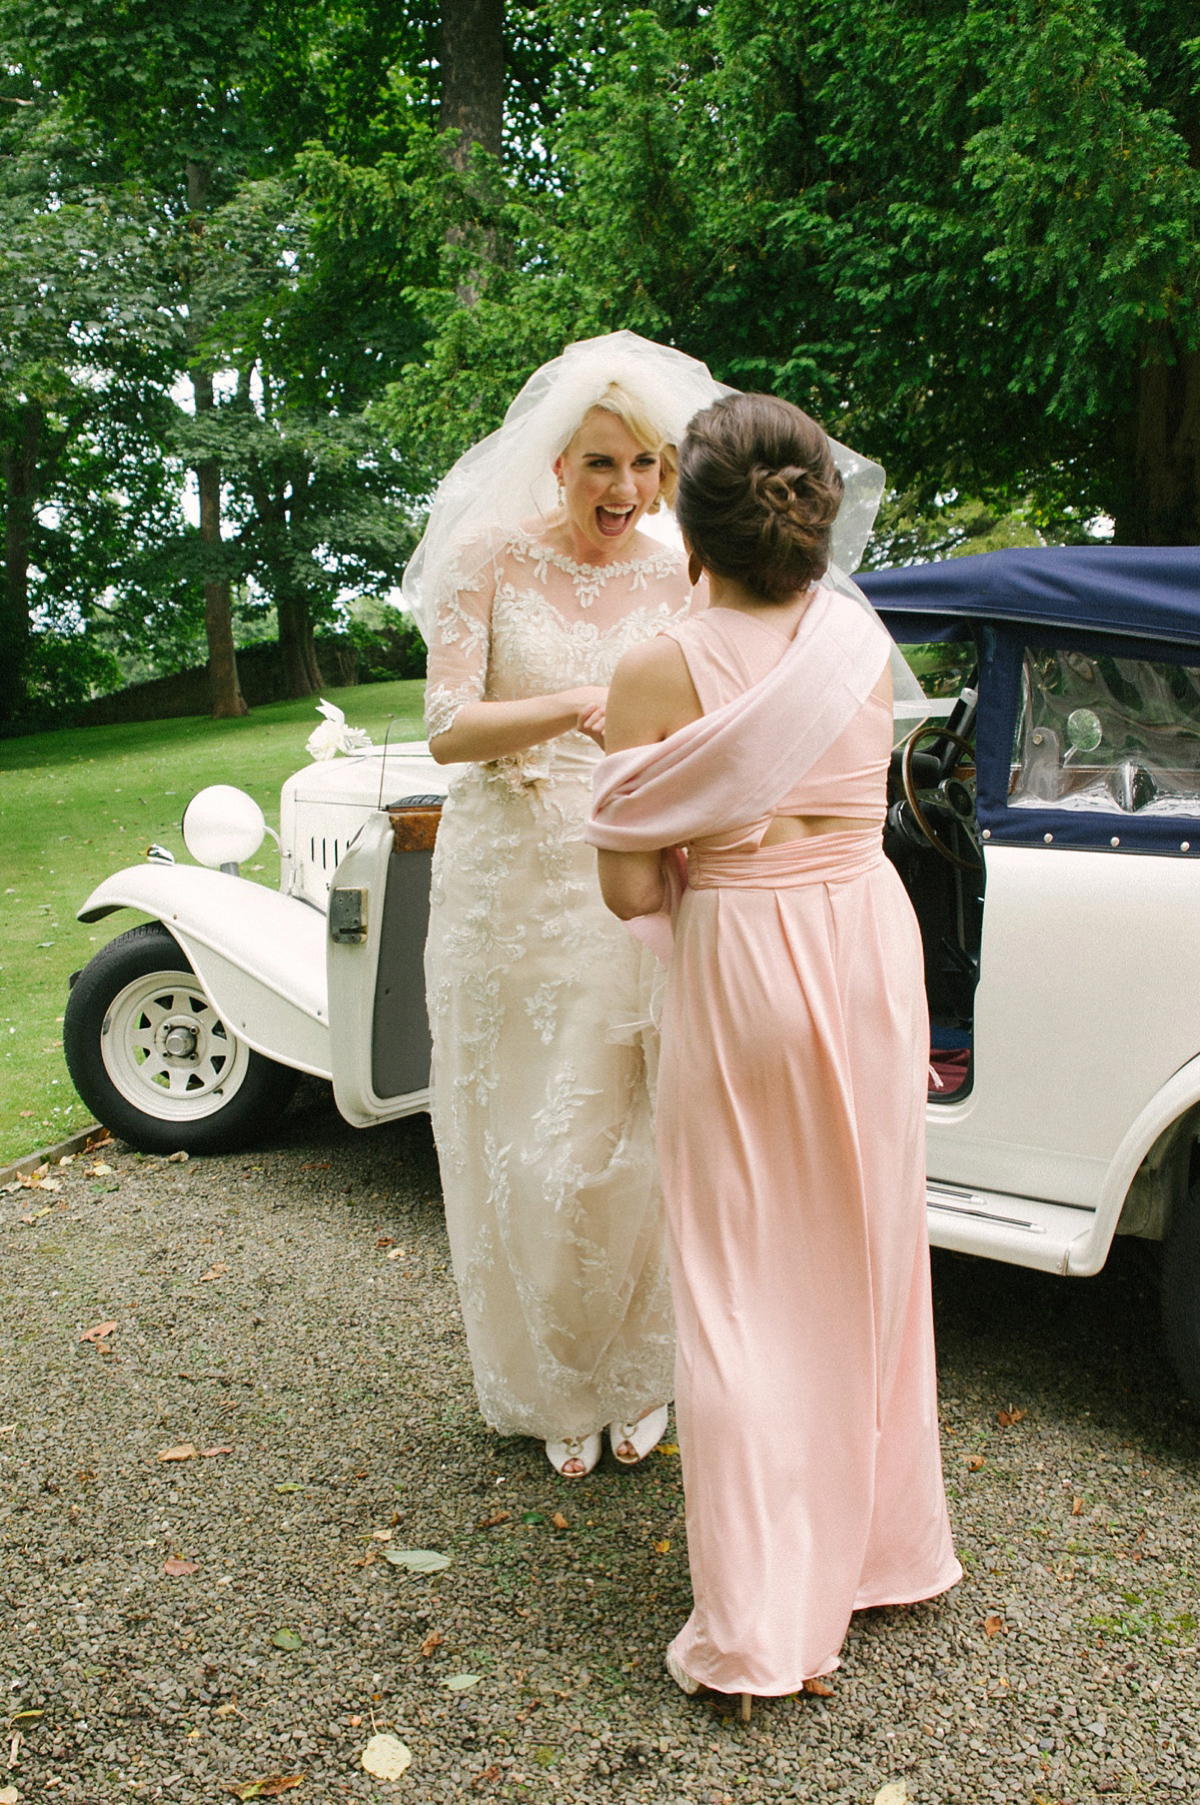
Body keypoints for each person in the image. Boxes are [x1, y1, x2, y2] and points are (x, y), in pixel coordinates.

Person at [588, 392, 960, 1708]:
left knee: (741, 1283)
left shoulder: (655, 666)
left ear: (690, 525)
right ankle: (882, 1553)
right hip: (866, 945)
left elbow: (632, 893)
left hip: (745, 954)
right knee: (865, 1251)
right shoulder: (858, 639)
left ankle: (758, 1628)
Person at [404, 332, 727, 1478]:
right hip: (508, 877)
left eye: (644, 465)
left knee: (626, 1129)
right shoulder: (484, 560)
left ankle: (641, 1370)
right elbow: (447, 728)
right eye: (601, 465)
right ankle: (550, 1381)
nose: (625, 491)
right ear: (556, 465)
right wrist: (580, 701)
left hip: (631, 873)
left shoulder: (681, 566)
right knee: (524, 1139)